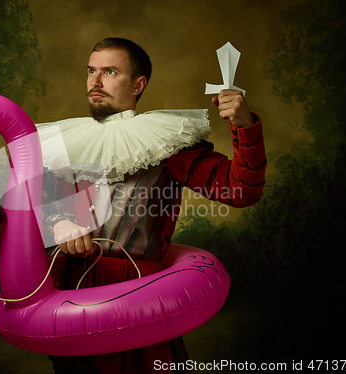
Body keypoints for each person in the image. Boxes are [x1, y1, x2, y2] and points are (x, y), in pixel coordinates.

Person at [38, 37, 266, 374]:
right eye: (91, 71)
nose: (95, 82)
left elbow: (241, 190)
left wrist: (244, 125)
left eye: (109, 71)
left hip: (138, 296)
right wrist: (57, 221)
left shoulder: (168, 142)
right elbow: (36, 206)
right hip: (72, 292)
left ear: (138, 84)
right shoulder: (67, 141)